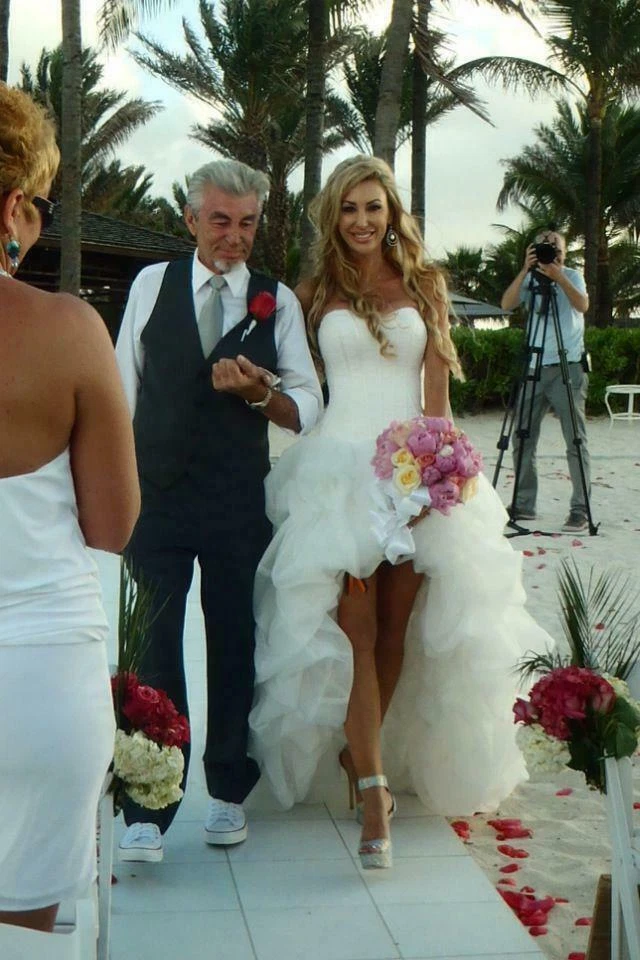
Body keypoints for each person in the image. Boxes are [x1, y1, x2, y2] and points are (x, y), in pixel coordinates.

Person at [249, 155, 554, 869]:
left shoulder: (426, 284)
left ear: (392, 214)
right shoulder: (312, 292)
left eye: (373, 207)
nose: (361, 221)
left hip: (413, 474)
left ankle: (361, 759)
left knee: (394, 632)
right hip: (336, 476)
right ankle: (375, 795)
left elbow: (437, 402)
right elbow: (294, 386)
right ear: (334, 214)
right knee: (354, 628)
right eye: (349, 207)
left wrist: (434, 479)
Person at [115, 159, 323, 862]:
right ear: (191, 219)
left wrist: (260, 394)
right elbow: (121, 390)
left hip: (237, 500)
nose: (235, 236)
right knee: (152, 648)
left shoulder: (277, 300)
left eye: (248, 223)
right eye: (220, 221)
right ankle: (147, 807)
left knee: (235, 643)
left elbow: (309, 408)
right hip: (157, 497)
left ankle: (229, 790)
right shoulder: (151, 285)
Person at [0, 83, 140, 944]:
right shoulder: (70, 329)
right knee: (22, 936)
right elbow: (113, 525)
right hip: (42, 678)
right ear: (12, 206)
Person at [501, 230, 591, 533]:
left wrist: (558, 276)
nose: (551, 251)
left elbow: (582, 305)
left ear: (565, 252)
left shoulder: (572, 276)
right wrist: (525, 270)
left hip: (568, 366)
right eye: (544, 246)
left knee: (575, 440)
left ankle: (580, 509)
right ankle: (524, 504)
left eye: (556, 247)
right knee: (522, 437)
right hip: (534, 366)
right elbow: (506, 304)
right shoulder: (530, 278)